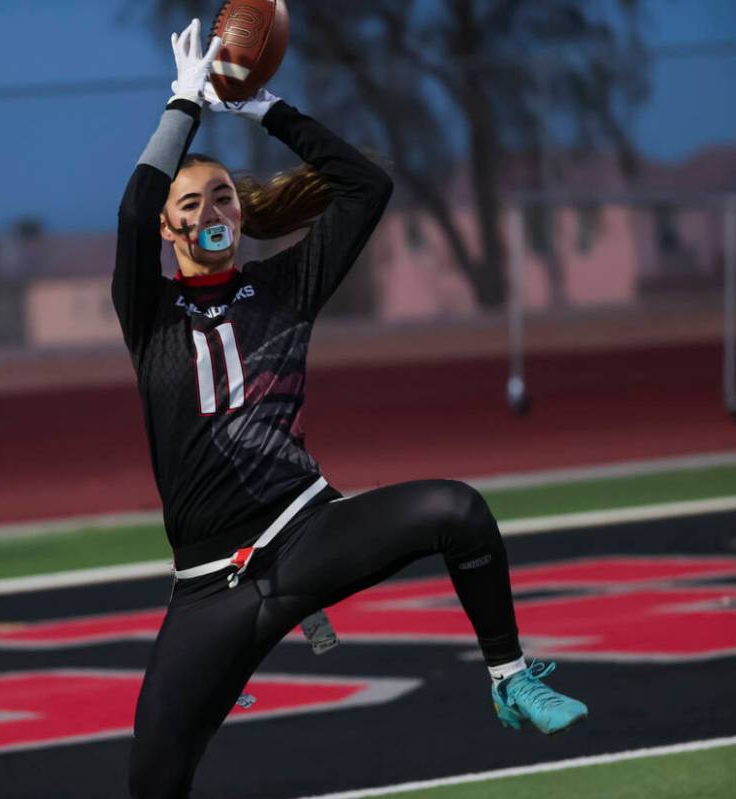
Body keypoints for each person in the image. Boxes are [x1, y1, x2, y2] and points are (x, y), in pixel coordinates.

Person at [113, 19, 588, 799]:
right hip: (208, 588)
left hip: (304, 535)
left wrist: (264, 108)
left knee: (458, 510)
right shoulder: (150, 310)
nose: (210, 207)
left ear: (240, 209)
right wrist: (181, 108)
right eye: (190, 201)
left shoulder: (280, 287)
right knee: (155, 781)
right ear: (169, 229)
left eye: (222, 192)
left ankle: (507, 676)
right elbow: (130, 216)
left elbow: (366, 186)